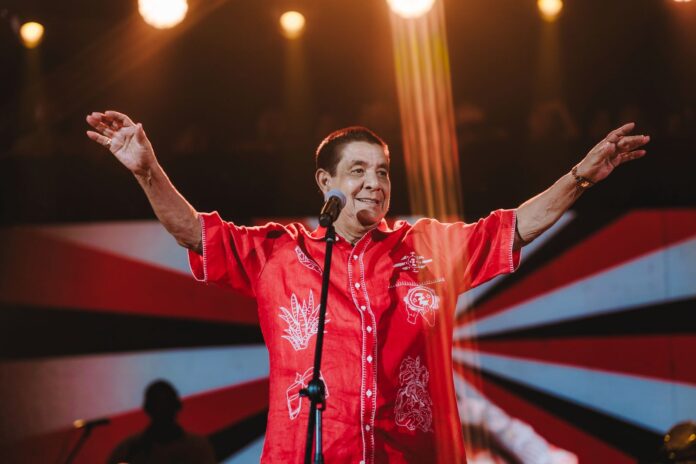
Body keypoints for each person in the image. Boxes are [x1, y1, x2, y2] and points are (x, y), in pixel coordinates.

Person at [86, 111, 649, 463]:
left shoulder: (426, 248)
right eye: (358, 170)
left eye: (382, 171)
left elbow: (515, 226)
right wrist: (146, 171)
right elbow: (196, 233)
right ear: (325, 182)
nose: (374, 183)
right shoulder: (279, 254)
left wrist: (579, 177)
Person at [107, 380, 216, 464]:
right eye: (158, 405)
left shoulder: (127, 449)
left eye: (165, 405)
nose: (162, 410)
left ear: (147, 408)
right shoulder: (197, 447)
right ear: (177, 406)